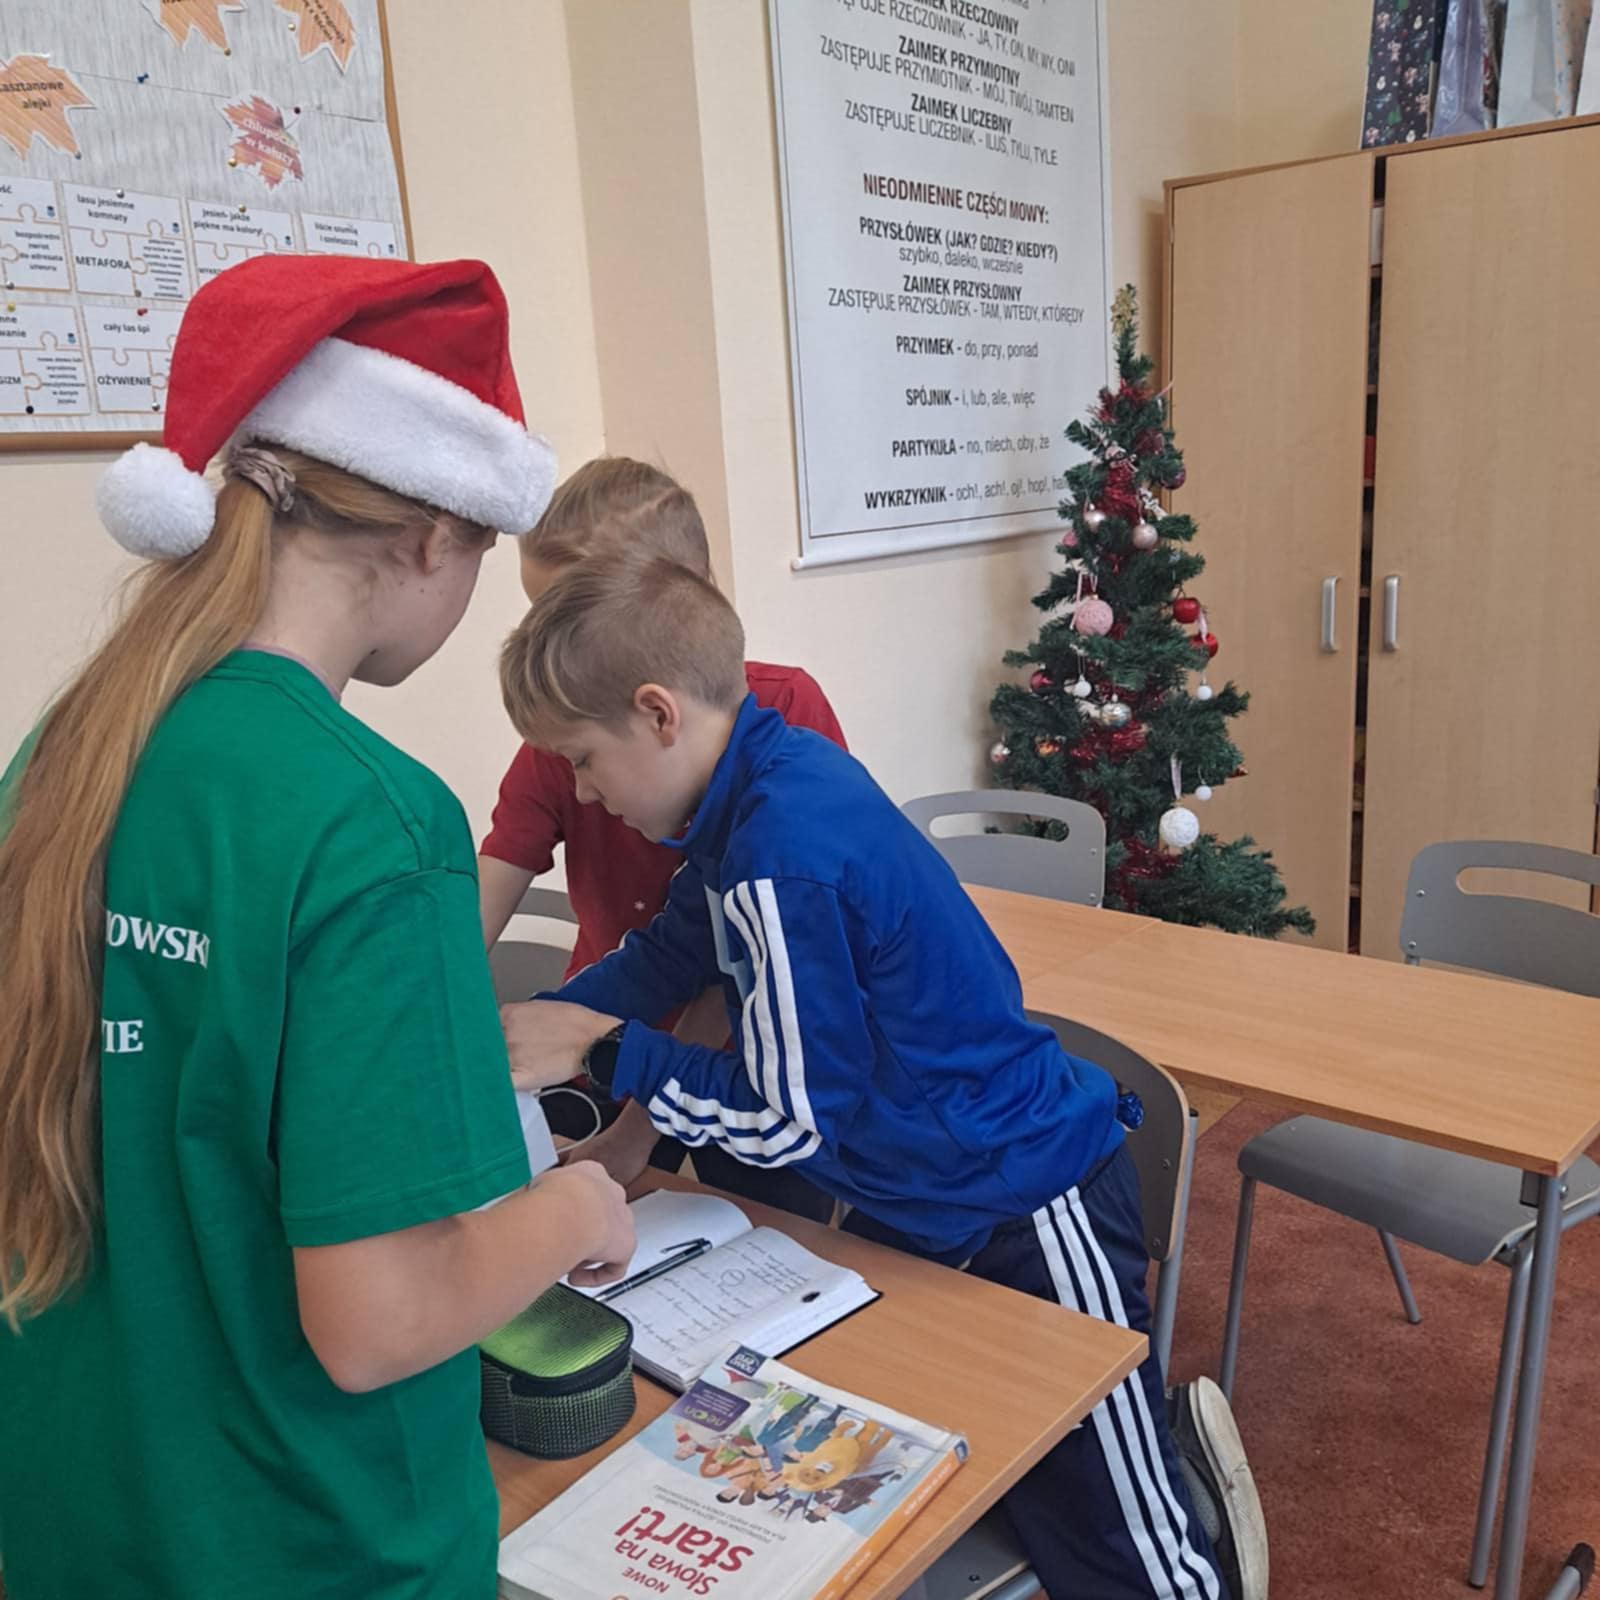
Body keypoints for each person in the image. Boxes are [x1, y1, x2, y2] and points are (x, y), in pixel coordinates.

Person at [0, 256, 633, 1600]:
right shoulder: (374, 823)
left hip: (79, 1514)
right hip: (309, 1543)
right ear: (430, 535)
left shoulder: (62, 754)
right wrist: (575, 1202)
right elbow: (378, 1319)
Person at [495, 552, 1268, 1600]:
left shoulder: (779, 851)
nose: (583, 790)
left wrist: (599, 1049)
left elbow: (790, 1122)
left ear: (657, 714)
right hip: (921, 1195)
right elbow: (673, 953)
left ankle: (1190, 1532)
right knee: (989, 1477)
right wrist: (555, 1015)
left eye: (585, 759)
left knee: (1120, 1545)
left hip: (1026, 1201)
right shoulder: (752, 792)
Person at [482, 457, 842, 1222]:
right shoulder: (568, 746)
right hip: (615, 1049)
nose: (555, 659)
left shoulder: (779, 749)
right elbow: (482, 904)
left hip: (746, 1072)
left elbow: (739, 977)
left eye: (575, 623)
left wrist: (634, 1130)